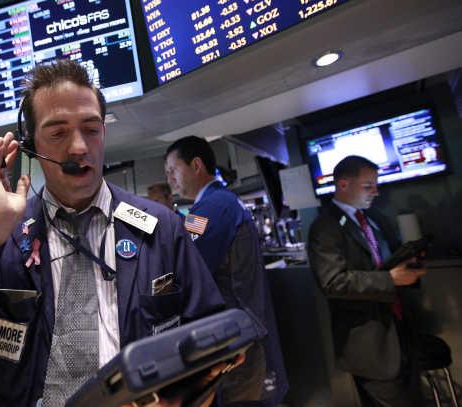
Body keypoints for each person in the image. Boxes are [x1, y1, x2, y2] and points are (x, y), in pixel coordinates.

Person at [0, 61, 226, 406]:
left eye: (91, 129)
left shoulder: (162, 226)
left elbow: (214, 341)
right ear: (31, 146)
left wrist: (179, 399)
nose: (79, 147)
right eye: (58, 132)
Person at [164, 136, 288, 406]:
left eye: (172, 170)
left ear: (196, 165)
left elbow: (184, 269)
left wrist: (150, 288)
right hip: (240, 333)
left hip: (234, 341)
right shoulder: (220, 203)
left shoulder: (211, 208)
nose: (170, 180)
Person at [308, 155, 427, 407]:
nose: (376, 191)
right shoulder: (325, 226)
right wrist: (390, 280)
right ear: (343, 185)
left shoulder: (373, 218)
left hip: (396, 333)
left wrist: (407, 266)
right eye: (368, 186)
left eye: (375, 184)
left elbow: (381, 264)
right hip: (368, 344)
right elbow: (333, 282)